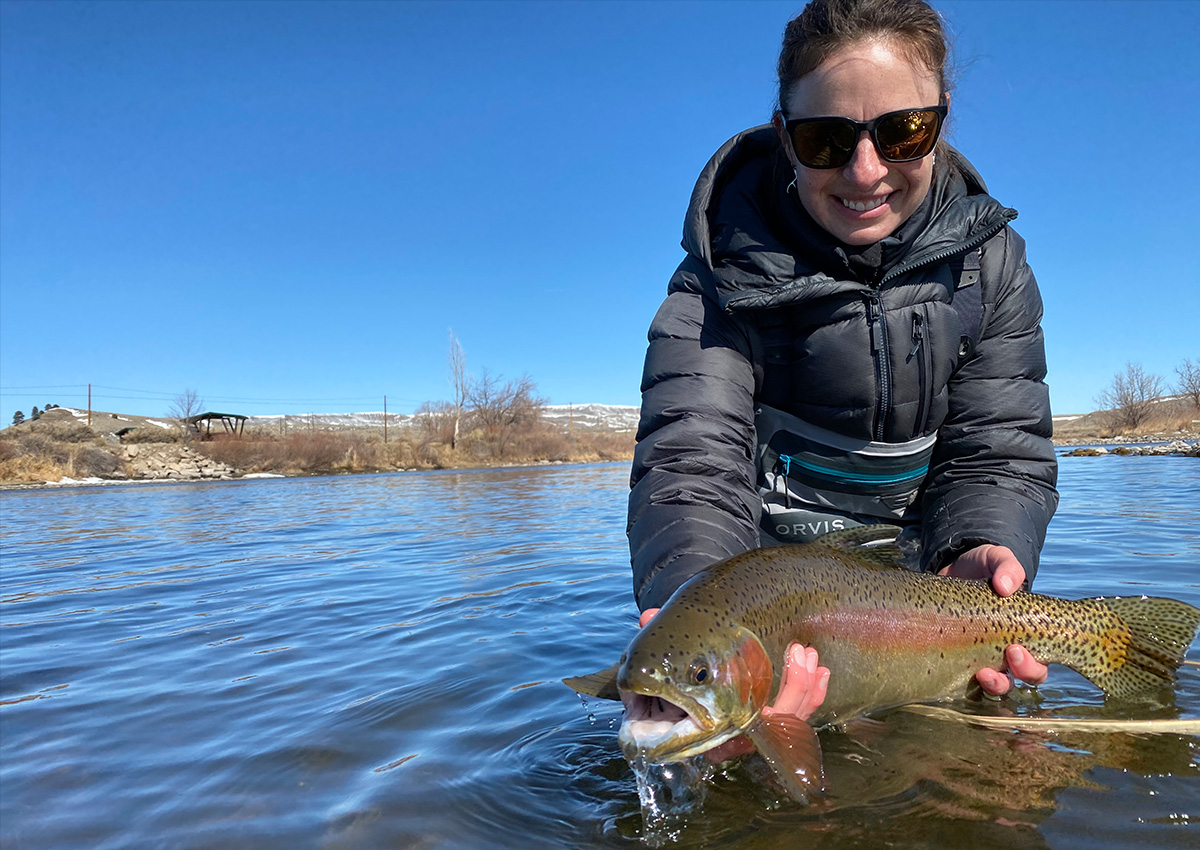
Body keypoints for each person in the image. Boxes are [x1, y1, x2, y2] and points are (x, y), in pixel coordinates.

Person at [627, 0, 1059, 739]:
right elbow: (689, 464)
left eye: (902, 131)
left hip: (923, 590)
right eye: (826, 139)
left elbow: (998, 449)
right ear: (784, 137)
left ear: (941, 119)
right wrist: (698, 617)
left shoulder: (992, 266)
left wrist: (982, 547)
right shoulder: (714, 279)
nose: (866, 171)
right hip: (763, 596)